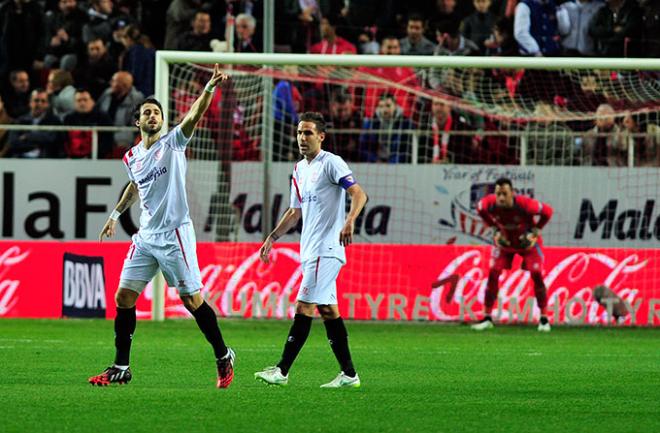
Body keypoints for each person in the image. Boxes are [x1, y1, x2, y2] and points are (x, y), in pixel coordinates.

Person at [88, 64, 236, 388]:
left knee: (191, 300)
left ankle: (223, 354)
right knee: (124, 297)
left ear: (162, 120)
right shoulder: (131, 157)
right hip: (146, 237)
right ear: (137, 121)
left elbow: (194, 115)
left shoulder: (173, 143)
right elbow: (134, 186)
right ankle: (121, 367)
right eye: (147, 113)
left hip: (175, 235)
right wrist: (115, 216)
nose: (152, 116)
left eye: (157, 112)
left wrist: (208, 89)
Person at [254, 112, 368, 388]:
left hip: (326, 249)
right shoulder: (299, 170)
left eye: (307, 133)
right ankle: (349, 375)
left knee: (304, 305)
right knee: (329, 311)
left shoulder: (331, 163)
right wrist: (273, 236)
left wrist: (350, 221)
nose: (302, 138)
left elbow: (358, 193)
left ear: (321, 136)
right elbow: (295, 211)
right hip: (310, 250)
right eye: (299, 133)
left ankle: (281, 370)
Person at [472, 177, 554, 332]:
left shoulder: (526, 204)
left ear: (512, 193)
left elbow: (548, 212)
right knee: (493, 271)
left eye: (504, 193)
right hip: (506, 242)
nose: (501, 198)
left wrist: (536, 230)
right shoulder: (488, 203)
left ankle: (544, 319)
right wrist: (495, 228)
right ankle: (487, 317)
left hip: (527, 243)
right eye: (498, 194)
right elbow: (480, 210)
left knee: (536, 273)